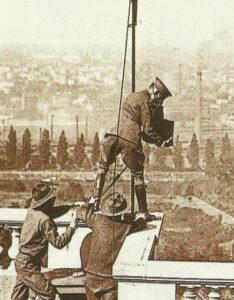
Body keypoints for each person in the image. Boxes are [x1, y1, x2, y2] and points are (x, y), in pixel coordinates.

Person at [95, 77, 172, 221]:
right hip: (130, 140)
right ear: (155, 92)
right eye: (159, 98)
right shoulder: (146, 103)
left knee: (103, 167)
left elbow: (130, 119)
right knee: (138, 175)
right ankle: (143, 211)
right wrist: (161, 141)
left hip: (113, 135)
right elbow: (148, 130)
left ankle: (95, 202)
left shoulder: (132, 96)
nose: (159, 102)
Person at [11, 183, 78, 300]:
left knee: (18, 297)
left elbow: (51, 212)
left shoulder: (33, 210)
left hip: (21, 261)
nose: (54, 200)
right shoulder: (46, 221)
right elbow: (59, 243)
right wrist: (72, 227)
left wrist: (70, 207)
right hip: (29, 265)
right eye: (52, 198)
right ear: (47, 201)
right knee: (48, 293)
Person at [76, 194, 148, 300]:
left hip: (91, 278)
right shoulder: (127, 226)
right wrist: (142, 217)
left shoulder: (97, 220)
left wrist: (89, 203)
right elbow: (140, 223)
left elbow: (80, 212)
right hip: (110, 280)